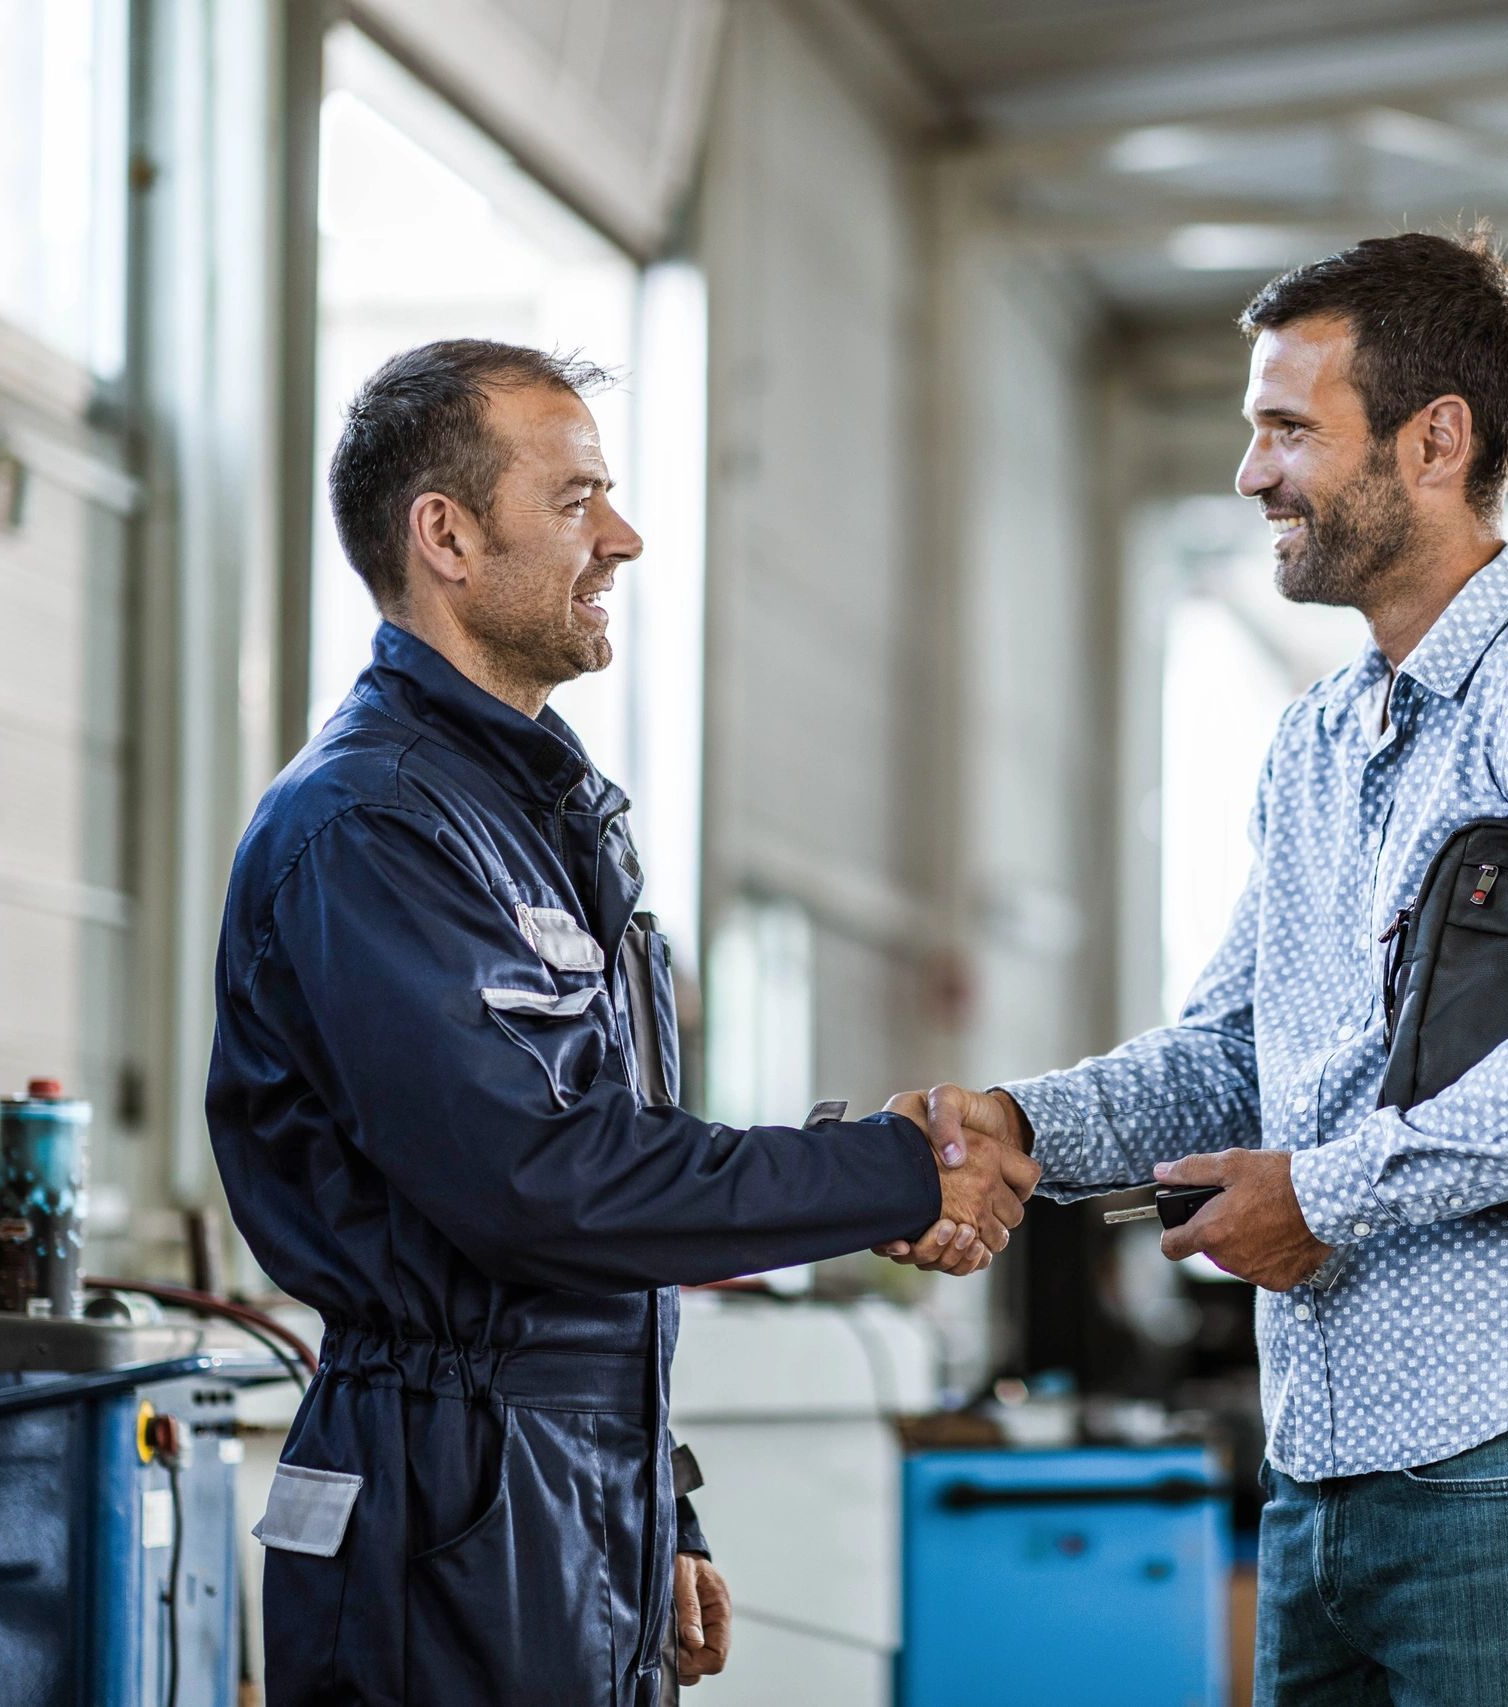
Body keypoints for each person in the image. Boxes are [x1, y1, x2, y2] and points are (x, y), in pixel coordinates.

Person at [892, 230, 1508, 1705]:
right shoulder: (1318, 740)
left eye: (1288, 428)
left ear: (1436, 442)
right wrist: (1023, 1126)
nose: (1250, 471)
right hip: (1322, 1467)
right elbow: (1235, 1047)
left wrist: (1324, 1191)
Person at [206, 340, 1036, 1706]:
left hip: (551, 1488)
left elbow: (622, 1166)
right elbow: (550, 1180)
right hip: (446, 1514)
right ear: (450, 535)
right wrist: (900, 1167)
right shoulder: (376, 824)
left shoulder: (538, 816)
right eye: (579, 496)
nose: (627, 537)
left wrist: (664, 1498)